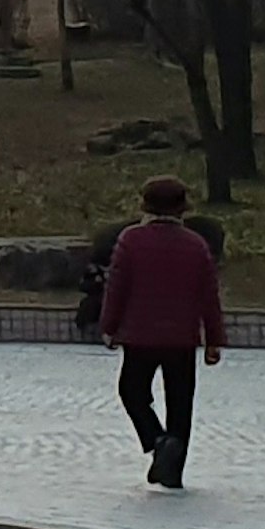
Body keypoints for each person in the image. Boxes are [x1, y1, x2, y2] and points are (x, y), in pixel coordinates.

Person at [96, 176, 225, 488]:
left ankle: (157, 439)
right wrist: (214, 339)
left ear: (145, 205)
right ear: (182, 207)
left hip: (139, 335)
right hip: (182, 338)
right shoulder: (196, 245)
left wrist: (109, 326)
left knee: (132, 391)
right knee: (181, 403)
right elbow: (209, 296)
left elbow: (117, 287)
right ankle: (173, 472)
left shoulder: (131, 240)